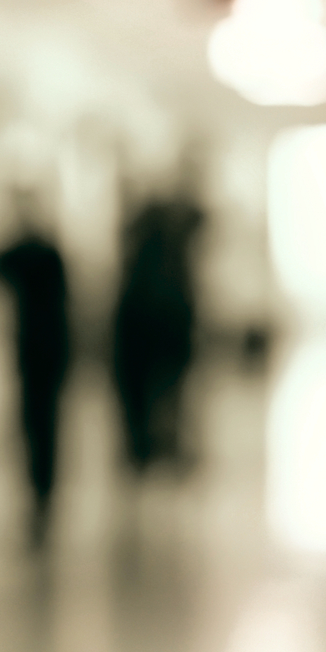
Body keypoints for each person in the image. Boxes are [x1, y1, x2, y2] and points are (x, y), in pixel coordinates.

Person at [111, 194, 203, 474]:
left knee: (160, 396)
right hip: (156, 338)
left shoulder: (153, 274)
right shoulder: (166, 274)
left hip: (155, 339)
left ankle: (150, 448)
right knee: (164, 395)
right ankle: (154, 447)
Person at [0, 219, 71, 544]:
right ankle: (41, 484)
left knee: (38, 421)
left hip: (37, 351)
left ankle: (40, 484)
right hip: (42, 351)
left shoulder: (36, 257)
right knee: (42, 423)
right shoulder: (47, 257)